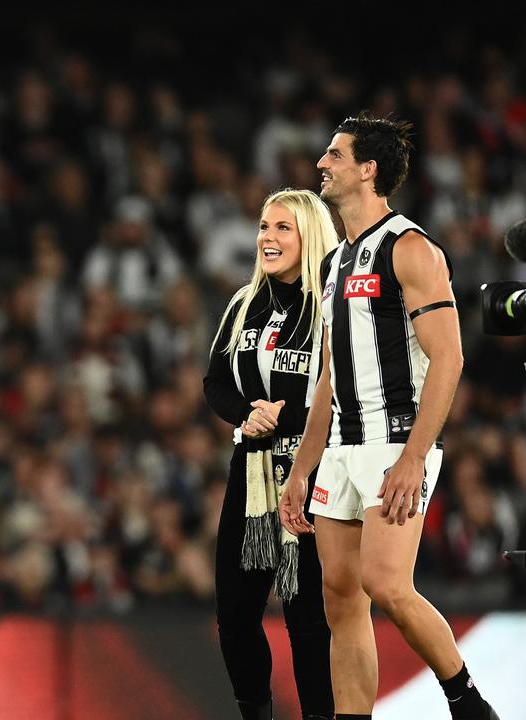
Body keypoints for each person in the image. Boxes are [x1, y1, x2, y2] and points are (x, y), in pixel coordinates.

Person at [280, 115, 500, 720]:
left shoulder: (410, 248)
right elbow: (327, 376)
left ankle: (467, 700)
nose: (322, 164)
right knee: (340, 599)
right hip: (341, 449)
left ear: (367, 169)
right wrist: (302, 469)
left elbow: (449, 355)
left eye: (335, 154)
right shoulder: (333, 264)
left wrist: (411, 458)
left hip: (394, 440)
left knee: (386, 583)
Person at [204, 188, 337, 720]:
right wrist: (246, 413)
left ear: (310, 235)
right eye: (263, 227)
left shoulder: (330, 305)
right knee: (235, 612)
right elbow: (214, 381)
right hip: (252, 470)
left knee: (307, 616)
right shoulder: (244, 303)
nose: (268, 238)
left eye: (283, 228)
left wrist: (287, 418)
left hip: (312, 469)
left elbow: (345, 389)